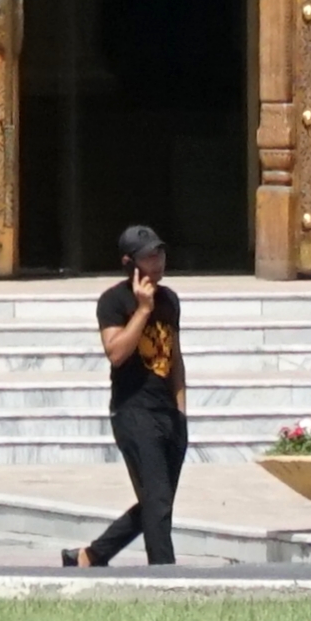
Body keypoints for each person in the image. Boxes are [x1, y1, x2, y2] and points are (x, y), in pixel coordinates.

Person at [68, 222, 186, 568]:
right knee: (158, 500)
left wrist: (181, 411)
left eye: (160, 252)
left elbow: (175, 357)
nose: (158, 261)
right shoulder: (113, 301)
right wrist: (143, 310)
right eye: (150, 256)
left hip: (168, 413)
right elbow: (116, 353)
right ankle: (165, 575)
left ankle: (91, 556)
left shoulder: (171, 300)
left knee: (157, 500)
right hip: (133, 411)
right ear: (130, 262)